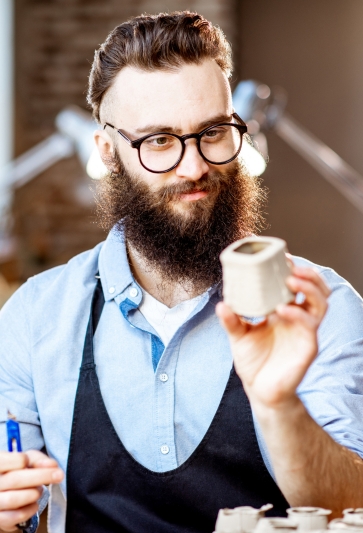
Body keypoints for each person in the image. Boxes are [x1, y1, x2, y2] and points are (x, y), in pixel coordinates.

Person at [1, 11, 363, 533]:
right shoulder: (36, 319)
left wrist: (280, 405)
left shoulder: (319, 307)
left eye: (213, 132)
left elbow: (348, 506)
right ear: (108, 151)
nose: (194, 168)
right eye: (160, 142)